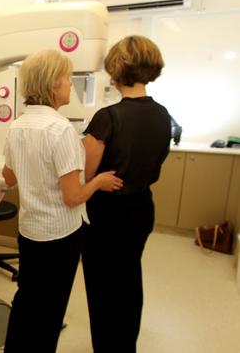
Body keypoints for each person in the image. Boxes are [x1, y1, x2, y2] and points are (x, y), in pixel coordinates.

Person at [1, 49, 122, 352]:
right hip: (59, 235)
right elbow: (73, 197)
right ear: (53, 85)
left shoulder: (16, 126)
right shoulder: (61, 130)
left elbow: (9, 177)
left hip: (30, 231)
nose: (71, 84)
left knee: (26, 299)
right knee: (50, 308)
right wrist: (98, 182)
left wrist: (33, 175)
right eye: (67, 78)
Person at [81, 35, 171, 352]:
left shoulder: (108, 117)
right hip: (142, 209)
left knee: (103, 289)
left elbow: (85, 175)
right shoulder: (163, 115)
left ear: (116, 70)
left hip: (107, 215)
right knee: (130, 280)